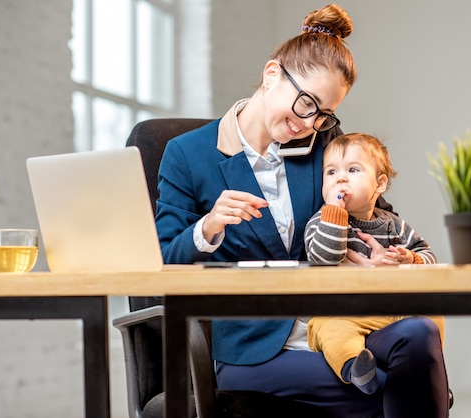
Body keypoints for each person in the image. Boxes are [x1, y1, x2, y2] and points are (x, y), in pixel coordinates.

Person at [155, 4, 450, 417]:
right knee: (402, 388)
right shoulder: (188, 154)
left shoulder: (322, 142)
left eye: (324, 113)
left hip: (337, 324)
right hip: (254, 350)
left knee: (420, 333)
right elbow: (164, 258)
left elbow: (375, 212)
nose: (310, 123)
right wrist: (207, 227)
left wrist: (381, 258)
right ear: (272, 74)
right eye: (306, 104)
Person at [304, 132, 446, 396]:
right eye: (331, 172)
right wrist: (334, 210)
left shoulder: (393, 224)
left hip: (389, 311)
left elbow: (428, 257)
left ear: (380, 184)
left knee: (430, 311)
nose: (341, 178)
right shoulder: (322, 221)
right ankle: (355, 369)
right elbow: (324, 258)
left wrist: (409, 259)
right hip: (340, 312)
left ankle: (431, 370)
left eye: (353, 170)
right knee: (331, 329)